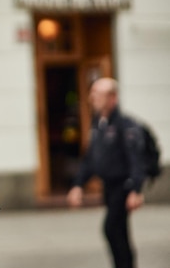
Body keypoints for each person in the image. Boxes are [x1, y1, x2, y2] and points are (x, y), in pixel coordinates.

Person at [67, 77, 146, 268]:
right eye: (92, 93)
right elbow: (91, 159)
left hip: (123, 186)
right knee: (119, 232)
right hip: (109, 188)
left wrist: (136, 189)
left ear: (112, 98)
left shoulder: (125, 125)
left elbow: (136, 159)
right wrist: (78, 184)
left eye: (97, 94)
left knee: (111, 229)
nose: (92, 98)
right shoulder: (98, 123)